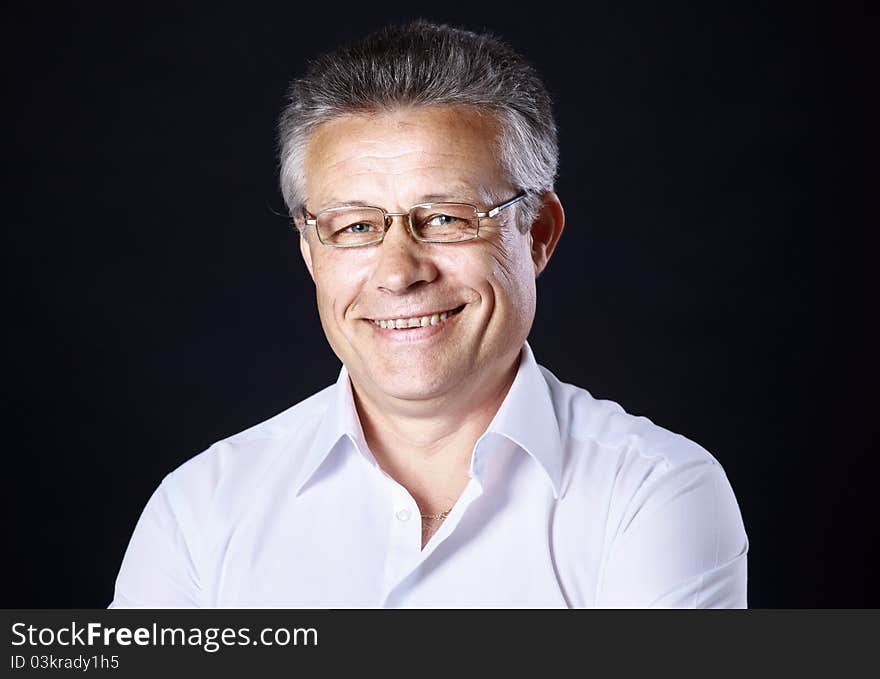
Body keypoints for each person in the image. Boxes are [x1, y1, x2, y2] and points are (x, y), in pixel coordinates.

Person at [110, 20, 748, 608]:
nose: (398, 272)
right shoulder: (201, 507)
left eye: (446, 218)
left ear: (538, 233)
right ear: (310, 252)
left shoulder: (653, 494)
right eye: (356, 225)